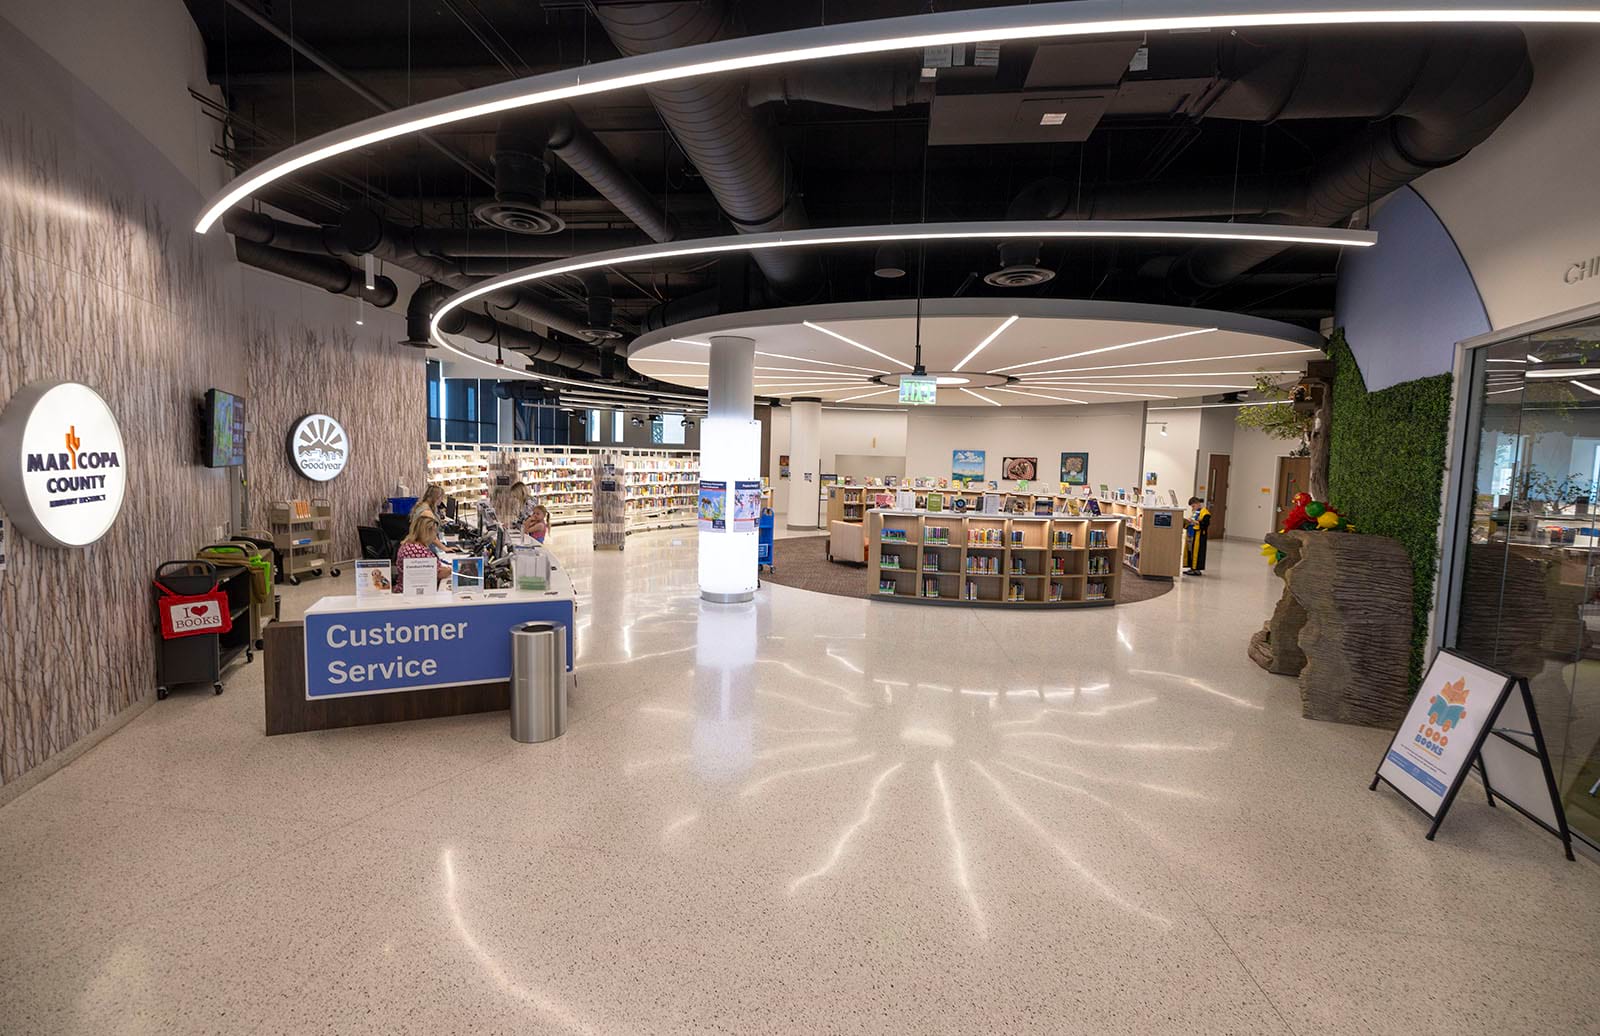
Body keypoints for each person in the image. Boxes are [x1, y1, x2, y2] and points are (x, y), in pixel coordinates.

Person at [393, 511, 450, 593]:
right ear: (427, 532)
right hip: (413, 594)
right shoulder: (417, 551)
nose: (435, 536)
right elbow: (439, 573)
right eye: (434, 532)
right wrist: (450, 570)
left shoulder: (409, 544)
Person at [1184, 495, 1212, 576]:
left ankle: (1196, 569)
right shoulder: (1195, 512)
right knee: (1190, 551)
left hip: (1199, 536)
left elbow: (1205, 524)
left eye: (1193, 506)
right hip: (1191, 534)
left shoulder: (1205, 513)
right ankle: (1192, 568)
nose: (1192, 508)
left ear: (1198, 504)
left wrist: (1196, 522)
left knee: (1197, 553)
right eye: (1191, 507)